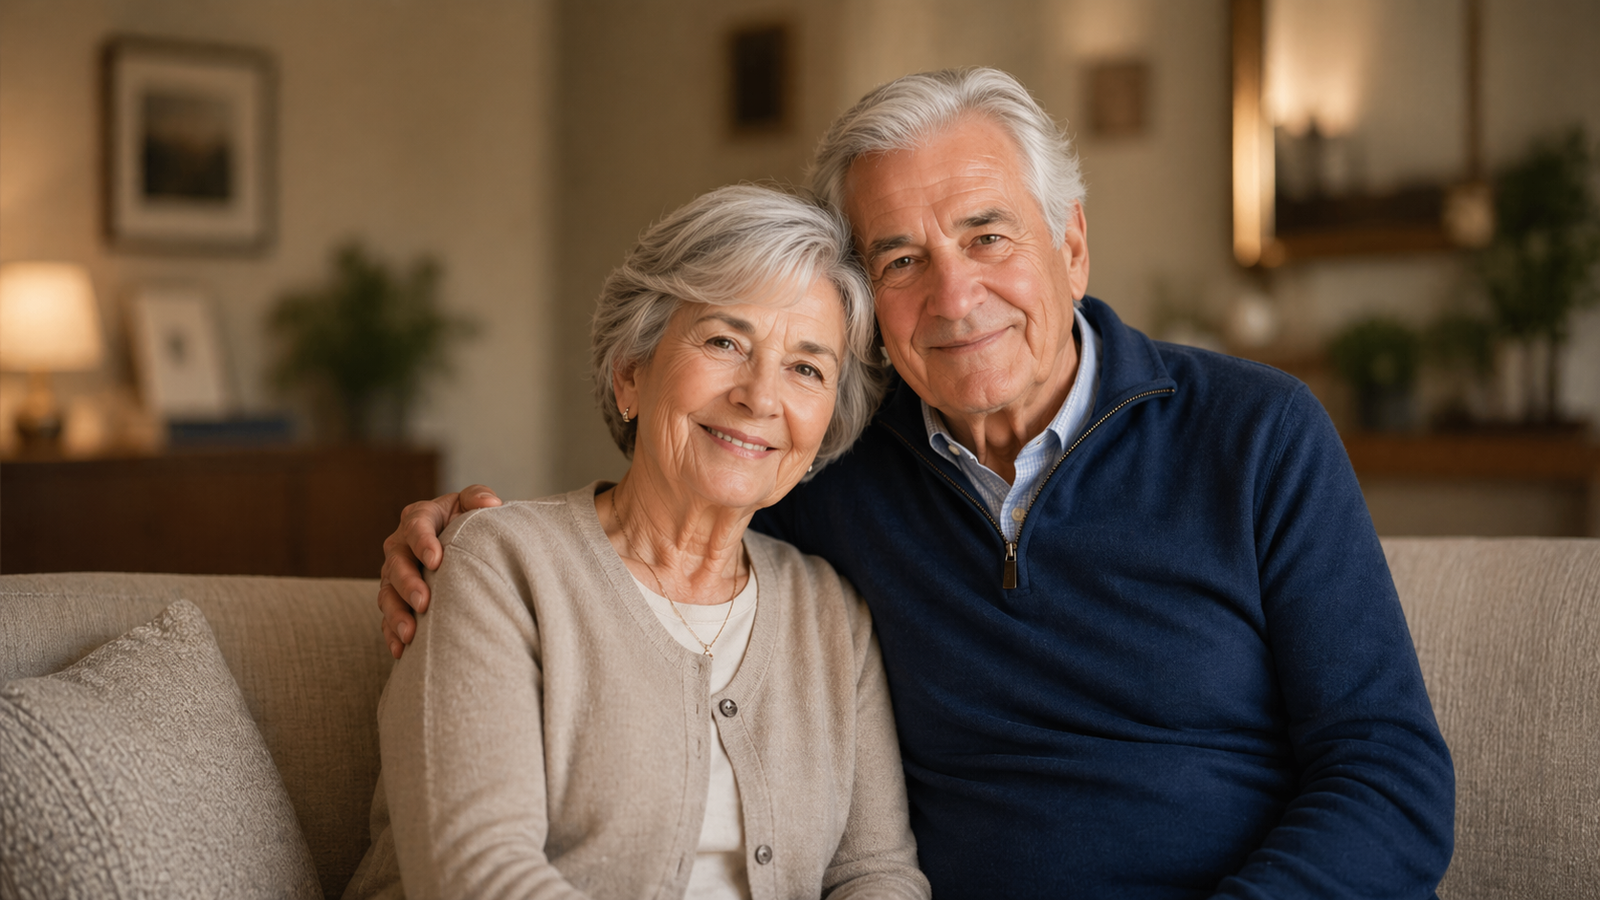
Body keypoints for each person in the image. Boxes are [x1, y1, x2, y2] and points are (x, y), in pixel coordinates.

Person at [380, 69, 1454, 899]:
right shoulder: (832, 464)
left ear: (1071, 245)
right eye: (899, 261)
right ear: (870, 315)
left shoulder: (1255, 434)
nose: (953, 293)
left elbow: (1388, 775)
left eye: (988, 236)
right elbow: (675, 500)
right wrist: (464, 531)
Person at [345, 184, 929, 900]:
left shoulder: (832, 616)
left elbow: (875, 874)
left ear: (822, 434)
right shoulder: (499, 566)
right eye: (724, 341)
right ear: (631, 374)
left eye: (806, 368)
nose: (760, 395)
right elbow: (477, 875)